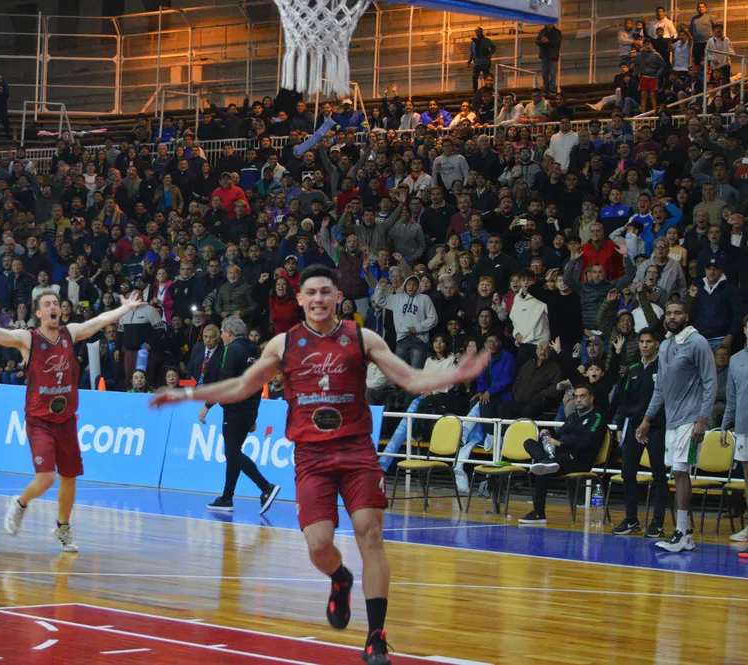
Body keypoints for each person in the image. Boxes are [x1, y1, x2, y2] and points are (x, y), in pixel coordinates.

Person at [150, 264, 489, 665]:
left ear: (336, 298)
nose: (318, 299)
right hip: (312, 456)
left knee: (370, 532)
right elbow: (241, 386)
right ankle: (340, 578)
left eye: (326, 292)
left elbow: (411, 380)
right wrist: (188, 395)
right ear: (300, 300)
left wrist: (456, 374)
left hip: (357, 450)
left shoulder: (362, 338)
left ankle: (376, 637)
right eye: (310, 292)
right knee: (319, 546)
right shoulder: (282, 344)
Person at [0, 289, 143, 551]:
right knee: (47, 477)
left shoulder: (69, 334)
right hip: (39, 421)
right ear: (38, 313)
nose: (54, 307)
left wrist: (125, 308)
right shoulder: (27, 339)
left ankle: (62, 528)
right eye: (47, 304)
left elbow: (97, 322)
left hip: (67, 419)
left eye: (56, 304)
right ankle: (20, 504)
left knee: (70, 477)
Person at [637, 302, 717, 552]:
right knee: (677, 473)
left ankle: (683, 531)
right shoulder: (667, 345)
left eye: (677, 313)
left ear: (686, 316)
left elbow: (711, 382)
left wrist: (703, 419)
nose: (672, 317)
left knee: (681, 471)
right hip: (672, 420)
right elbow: (660, 387)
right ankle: (685, 535)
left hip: (692, 420)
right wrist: (647, 419)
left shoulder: (698, 342)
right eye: (669, 313)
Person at [197, 316, 281, 513]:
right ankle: (227, 498)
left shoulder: (232, 349)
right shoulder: (254, 350)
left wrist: (207, 406)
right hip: (249, 409)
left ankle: (266, 487)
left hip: (235, 410)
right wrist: (253, 415)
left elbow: (225, 382)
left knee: (232, 453)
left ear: (228, 333)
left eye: (222, 333)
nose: (222, 338)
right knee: (232, 452)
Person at [518, 383, 607, 525]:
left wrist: (561, 443)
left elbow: (588, 441)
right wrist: (547, 433)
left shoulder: (597, 416)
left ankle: (539, 512)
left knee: (541, 470)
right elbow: (559, 435)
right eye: (576, 396)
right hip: (561, 456)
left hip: (579, 459)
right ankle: (544, 461)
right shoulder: (572, 417)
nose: (578, 400)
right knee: (529, 442)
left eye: (582, 396)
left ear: (591, 398)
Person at [611, 329, 668, 538]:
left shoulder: (664, 368)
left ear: (657, 344)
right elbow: (623, 401)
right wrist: (619, 426)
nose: (644, 345)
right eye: (642, 341)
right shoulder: (633, 369)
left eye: (649, 341)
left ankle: (658, 522)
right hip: (634, 427)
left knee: (659, 474)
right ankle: (631, 519)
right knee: (627, 472)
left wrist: (652, 420)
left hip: (656, 427)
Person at [721, 314, 748, 541]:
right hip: (743, 428)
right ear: (745, 330)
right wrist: (724, 425)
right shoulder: (736, 359)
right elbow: (731, 398)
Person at [468, 27, 497, 93]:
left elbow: (494, 48)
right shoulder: (473, 43)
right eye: (477, 31)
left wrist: (490, 54)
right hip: (477, 63)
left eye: (479, 31)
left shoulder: (487, 41)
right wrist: (469, 61)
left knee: (486, 77)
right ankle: (475, 91)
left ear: (482, 32)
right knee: (474, 78)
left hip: (485, 63)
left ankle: (488, 90)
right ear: (475, 32)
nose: (478, 32)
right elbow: (472, 53)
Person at [536, 23, 562, 93]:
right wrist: (541, 41)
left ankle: (552, 89)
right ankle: (546, 87)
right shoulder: (542, 32)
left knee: (552, 73)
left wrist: (548, 41)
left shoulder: (557, 32)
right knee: (544, 73)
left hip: (552, 56)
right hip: (544, 55)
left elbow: (557, 42)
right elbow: (536, 41)